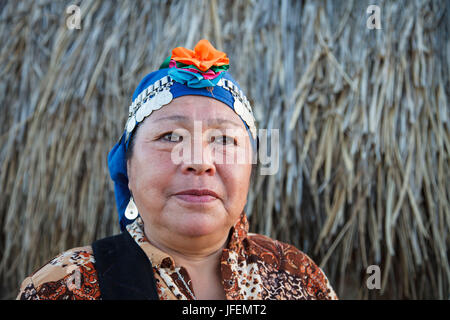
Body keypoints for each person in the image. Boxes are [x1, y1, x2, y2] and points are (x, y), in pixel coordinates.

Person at [17, 40, 338, 300]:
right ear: (127, 165)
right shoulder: (62, 286)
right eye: (170, 137)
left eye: (224, 139)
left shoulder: (299, 278)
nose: (199, 161)